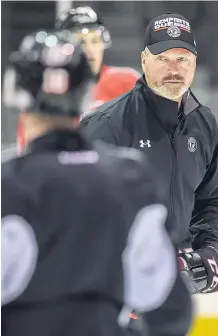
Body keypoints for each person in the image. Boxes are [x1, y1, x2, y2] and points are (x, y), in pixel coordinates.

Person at [1, 30, 193, 336]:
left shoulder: (8, 184)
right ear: (85, 94)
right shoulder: (130, 178)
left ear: (18, 93)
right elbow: (168, 309)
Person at [80, 12, 218, 297]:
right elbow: (82, 210)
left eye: (182, 59)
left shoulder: (204, 123)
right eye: (163, 59)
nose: (173, 69)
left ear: (195, 64)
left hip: (171, 289)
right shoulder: (108, 124)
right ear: (144, 61)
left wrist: (208, 247)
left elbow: (209, 199)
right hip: (113, 289)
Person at [15, 6, 140, 152]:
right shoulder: (47, 91)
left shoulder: (128, 82)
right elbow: (29, 150)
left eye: (95, 41)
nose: (89, 49)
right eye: (80, 42)